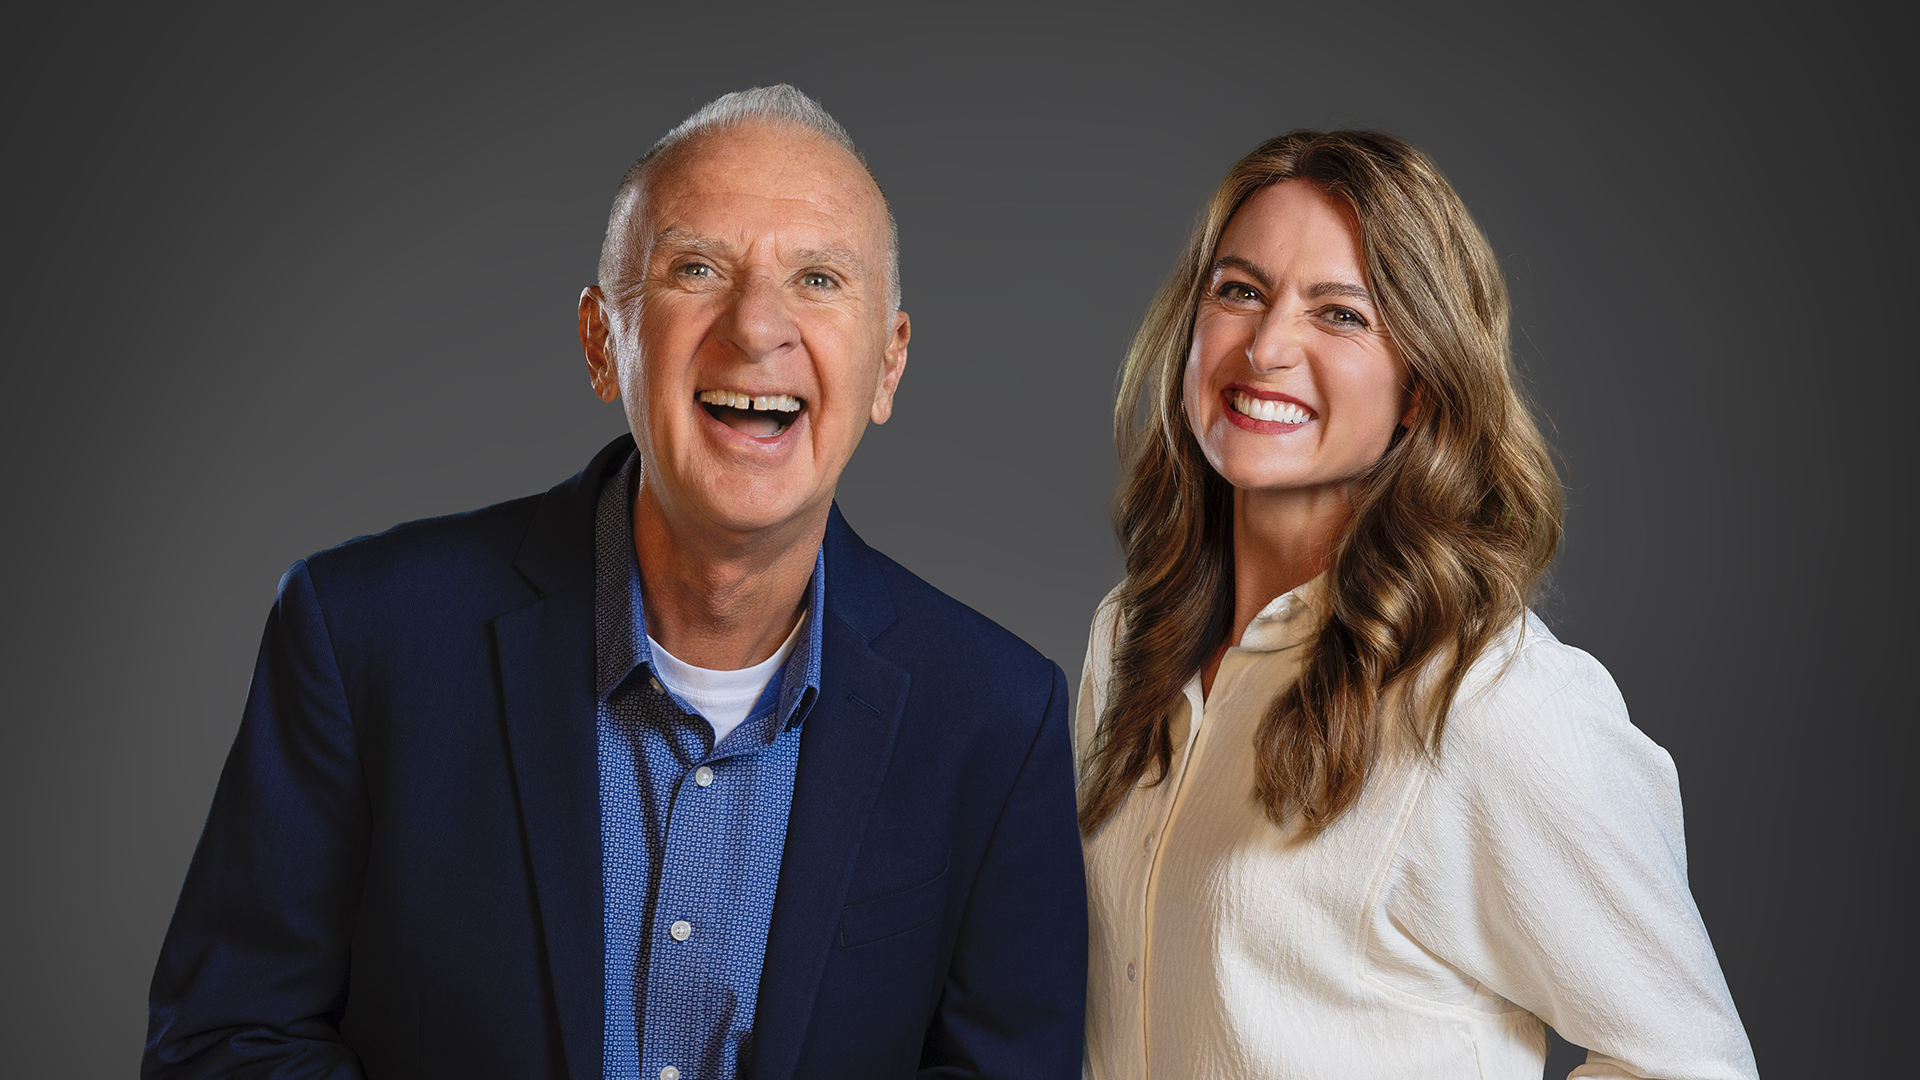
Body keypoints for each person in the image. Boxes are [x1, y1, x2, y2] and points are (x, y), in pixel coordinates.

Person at [145, 85, 1086, 1080]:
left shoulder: (996, 718)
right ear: (604, 342)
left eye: (818, 278)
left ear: (888, 366)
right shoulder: (359, 637)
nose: (757, 324)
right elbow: (225, 1044)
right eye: (697, 267)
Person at [1075, 131, 1757, 1080]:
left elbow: (1692, 1065)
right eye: (1239, 291)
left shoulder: (1490, 701)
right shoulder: (1126, 646)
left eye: (1341, 314)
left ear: (1419, 389)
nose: (1267, 346)